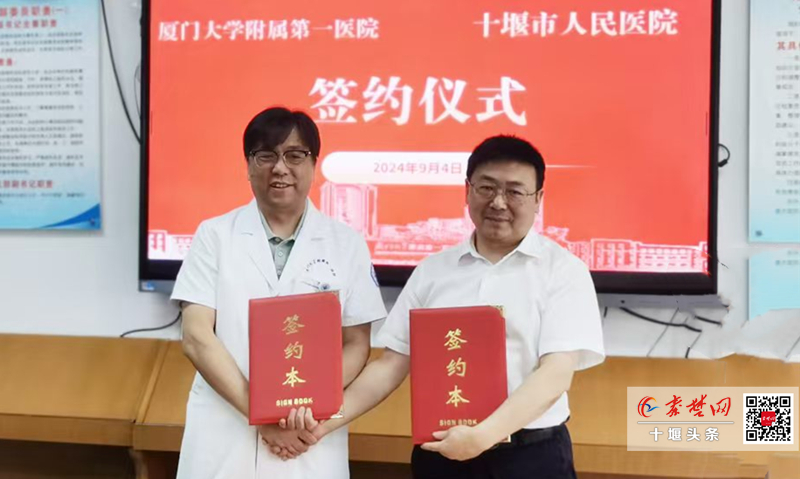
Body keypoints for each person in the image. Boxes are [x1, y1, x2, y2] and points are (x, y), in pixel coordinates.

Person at [284, 135, 605, 478]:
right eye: (486, 188)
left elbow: (556, 373)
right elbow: (391, 364)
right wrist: (321, 424)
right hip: (441, 453)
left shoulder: (563, 270)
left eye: (515, 191)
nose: (498, 202)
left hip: (531, 457)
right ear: (467, 190)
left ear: (538, 198)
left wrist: (483, 436)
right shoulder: (433, 271)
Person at [171, 106, 386, 479]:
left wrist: (302, 406)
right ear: (248, 165)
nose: (280, 168)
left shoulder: (346, 243)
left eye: (295, 155)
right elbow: (196, 336)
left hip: (307, 429)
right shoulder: (214, 235)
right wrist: (261, 414)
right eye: (266, 155)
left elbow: (356, 344)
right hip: (226, 427)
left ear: (314, 164)